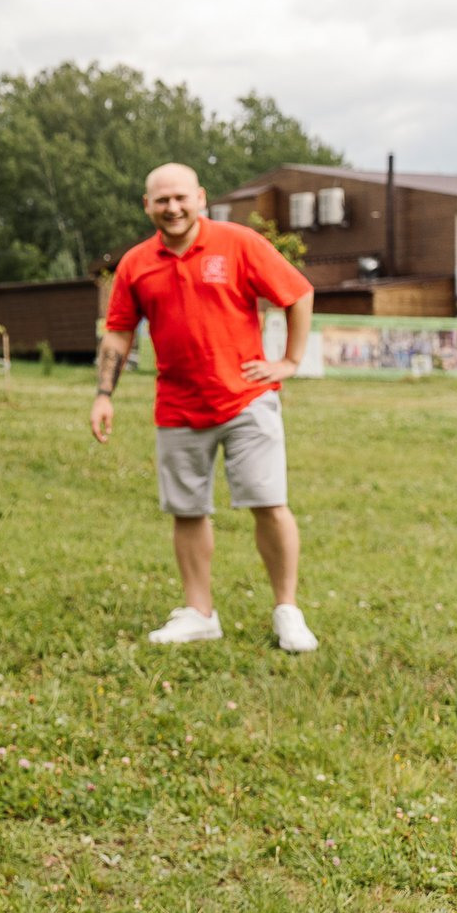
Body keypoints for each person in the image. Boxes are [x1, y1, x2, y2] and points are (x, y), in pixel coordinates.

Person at [91, 163, 320, 652]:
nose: (172, 207)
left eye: (180, 197)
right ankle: (199, 614)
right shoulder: (135, 263)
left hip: (246, 400)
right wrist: (104, 395)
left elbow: (298, 293)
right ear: (147, 206)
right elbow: (118, 332)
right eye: (162, 200)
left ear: (200, 197)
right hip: (178, 407)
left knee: (269, 503)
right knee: (187, 510)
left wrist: (289, 361)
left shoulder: (239, 243)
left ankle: (288, 611)